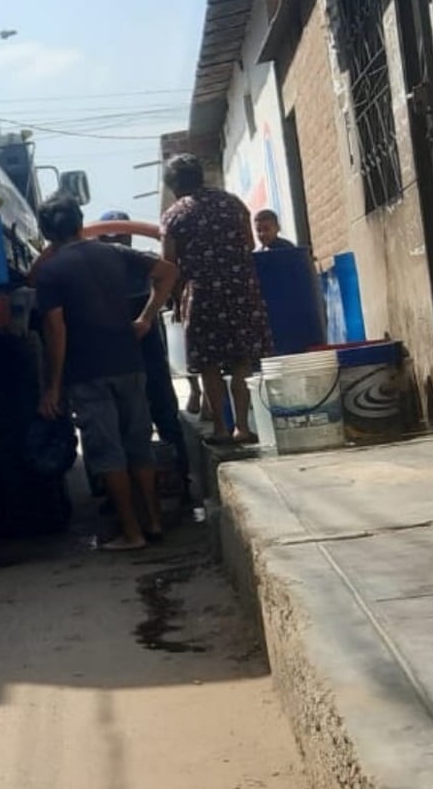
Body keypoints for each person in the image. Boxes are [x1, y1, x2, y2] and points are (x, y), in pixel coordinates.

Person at [34, 196, 181, 551]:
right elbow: (168, 272)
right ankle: (154, 522)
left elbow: (57, 331)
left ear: (46, 231)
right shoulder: (113, 253)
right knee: (138, 444)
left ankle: (131, 534)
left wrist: (53, 386)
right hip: (129, 362)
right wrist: (146, 318)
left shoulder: (51, 272)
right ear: (79, 222)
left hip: (87, 371)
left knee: (107, 452)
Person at [161, 155, 274, 445]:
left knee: (209, 363)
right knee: (241, 361)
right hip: (240, 289)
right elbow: (249, 244)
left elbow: (169, 264)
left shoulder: (174, 215)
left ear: (174, 186)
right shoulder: (232, 203)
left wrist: (175, 299)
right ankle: (242, 427)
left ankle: (221, 429)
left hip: (201, 296)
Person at [90, 212, 190, 505]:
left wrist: (145, 318)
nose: (116, 242)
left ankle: (124, 493)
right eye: (111, 238)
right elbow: (169, 274)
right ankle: (174, 482)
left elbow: (169, 274)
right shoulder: (136, 261)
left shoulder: (109, 265)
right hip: (137, 351)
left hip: (129, 353)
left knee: (128, 421)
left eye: (119, 237)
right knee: (151, 416)